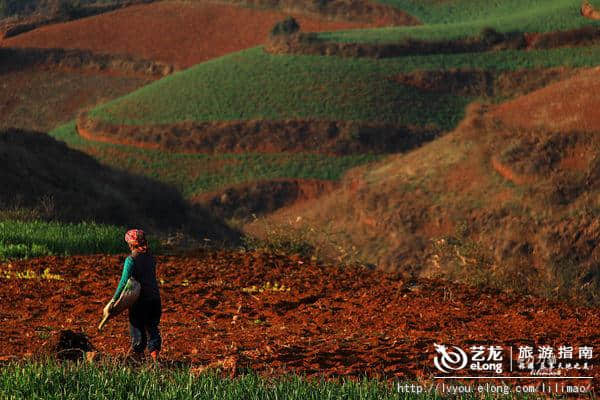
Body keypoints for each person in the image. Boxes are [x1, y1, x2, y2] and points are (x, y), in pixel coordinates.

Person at [110, 229, 162, 362]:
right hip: (155, 299)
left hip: (141, 301)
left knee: (136, 327)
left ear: (130, 244)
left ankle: (137, 358)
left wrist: (114, 300)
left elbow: (124, 282)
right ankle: (155, 359)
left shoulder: (131, 260)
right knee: (152, 328)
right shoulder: (151, 258)